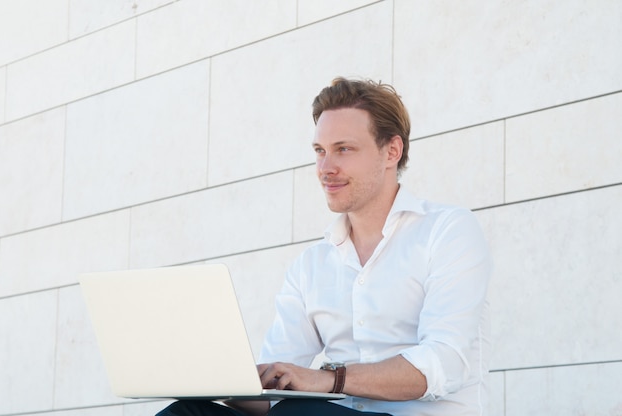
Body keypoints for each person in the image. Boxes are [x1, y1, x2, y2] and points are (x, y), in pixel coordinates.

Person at [157, 77, 492, 416]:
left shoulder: (447, 230)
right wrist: (219, 380)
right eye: (320, 151)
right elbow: (272, 393)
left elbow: (445, 362)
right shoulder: (311, 265)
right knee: (187, 412)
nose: (325, 168)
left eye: (343, 149)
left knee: (295, 413)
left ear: (392, 151)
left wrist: (329, 379)